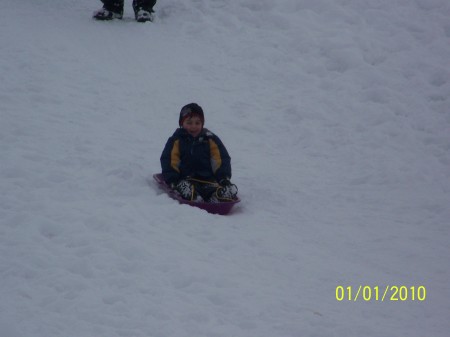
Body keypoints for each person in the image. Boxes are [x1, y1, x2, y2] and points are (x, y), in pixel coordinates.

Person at [160, 103, 238, 202]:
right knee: (187, 188)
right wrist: (173, 180)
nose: (193, 126)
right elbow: (169, 160)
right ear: (181, 123)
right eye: (189, 123)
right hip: (186, 179)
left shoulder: (210, 139)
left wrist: (223, 178)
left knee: (212, 189)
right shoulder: (176, 140)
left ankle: (220, 194)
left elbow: (220, 159)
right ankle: (192, 195)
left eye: (197, 123)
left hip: (208, 181)